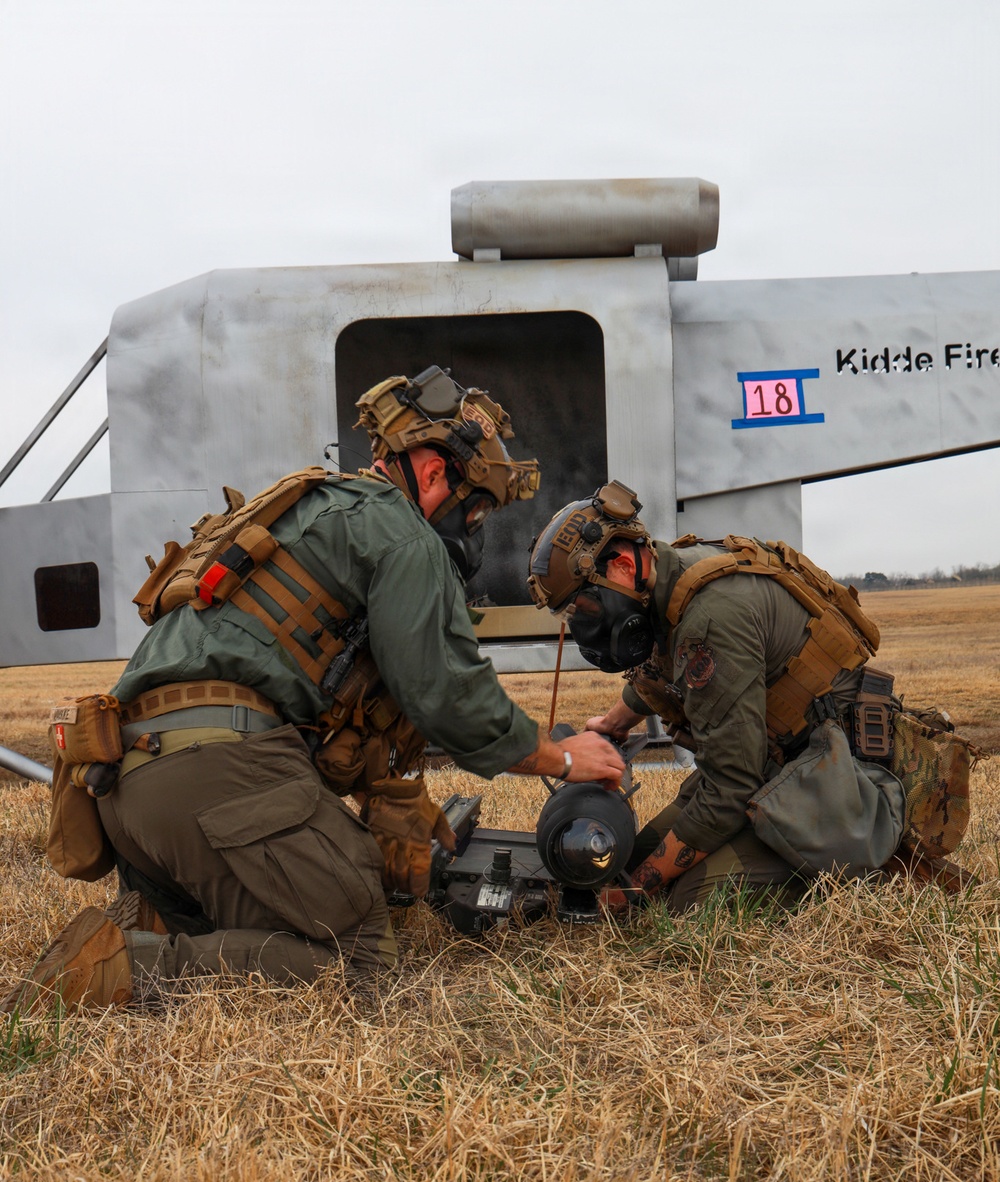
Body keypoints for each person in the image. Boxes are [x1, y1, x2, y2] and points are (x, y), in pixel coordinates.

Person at [11, 368, 623, 1013]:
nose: (472, 528)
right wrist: (561, 757)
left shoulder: (314, 512)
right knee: (356, 957)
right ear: (437, 475)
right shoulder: (403, 535)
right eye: (476, 509)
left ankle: (154, 928)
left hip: (125, 790)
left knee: (274, 919)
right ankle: (110, 974)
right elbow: (448, 697)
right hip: (214, 774)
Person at [527, 480, 910, 912]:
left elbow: (730, 788)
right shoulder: (670, 579)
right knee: (628, 858)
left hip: (835, 779)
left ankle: (860, 874)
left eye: (584, 607)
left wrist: (634, 893)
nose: (584, 624)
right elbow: (662, 666)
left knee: (687, 901)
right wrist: (613, 724)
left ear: (618, 565)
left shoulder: (710, 618)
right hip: (777, 761)